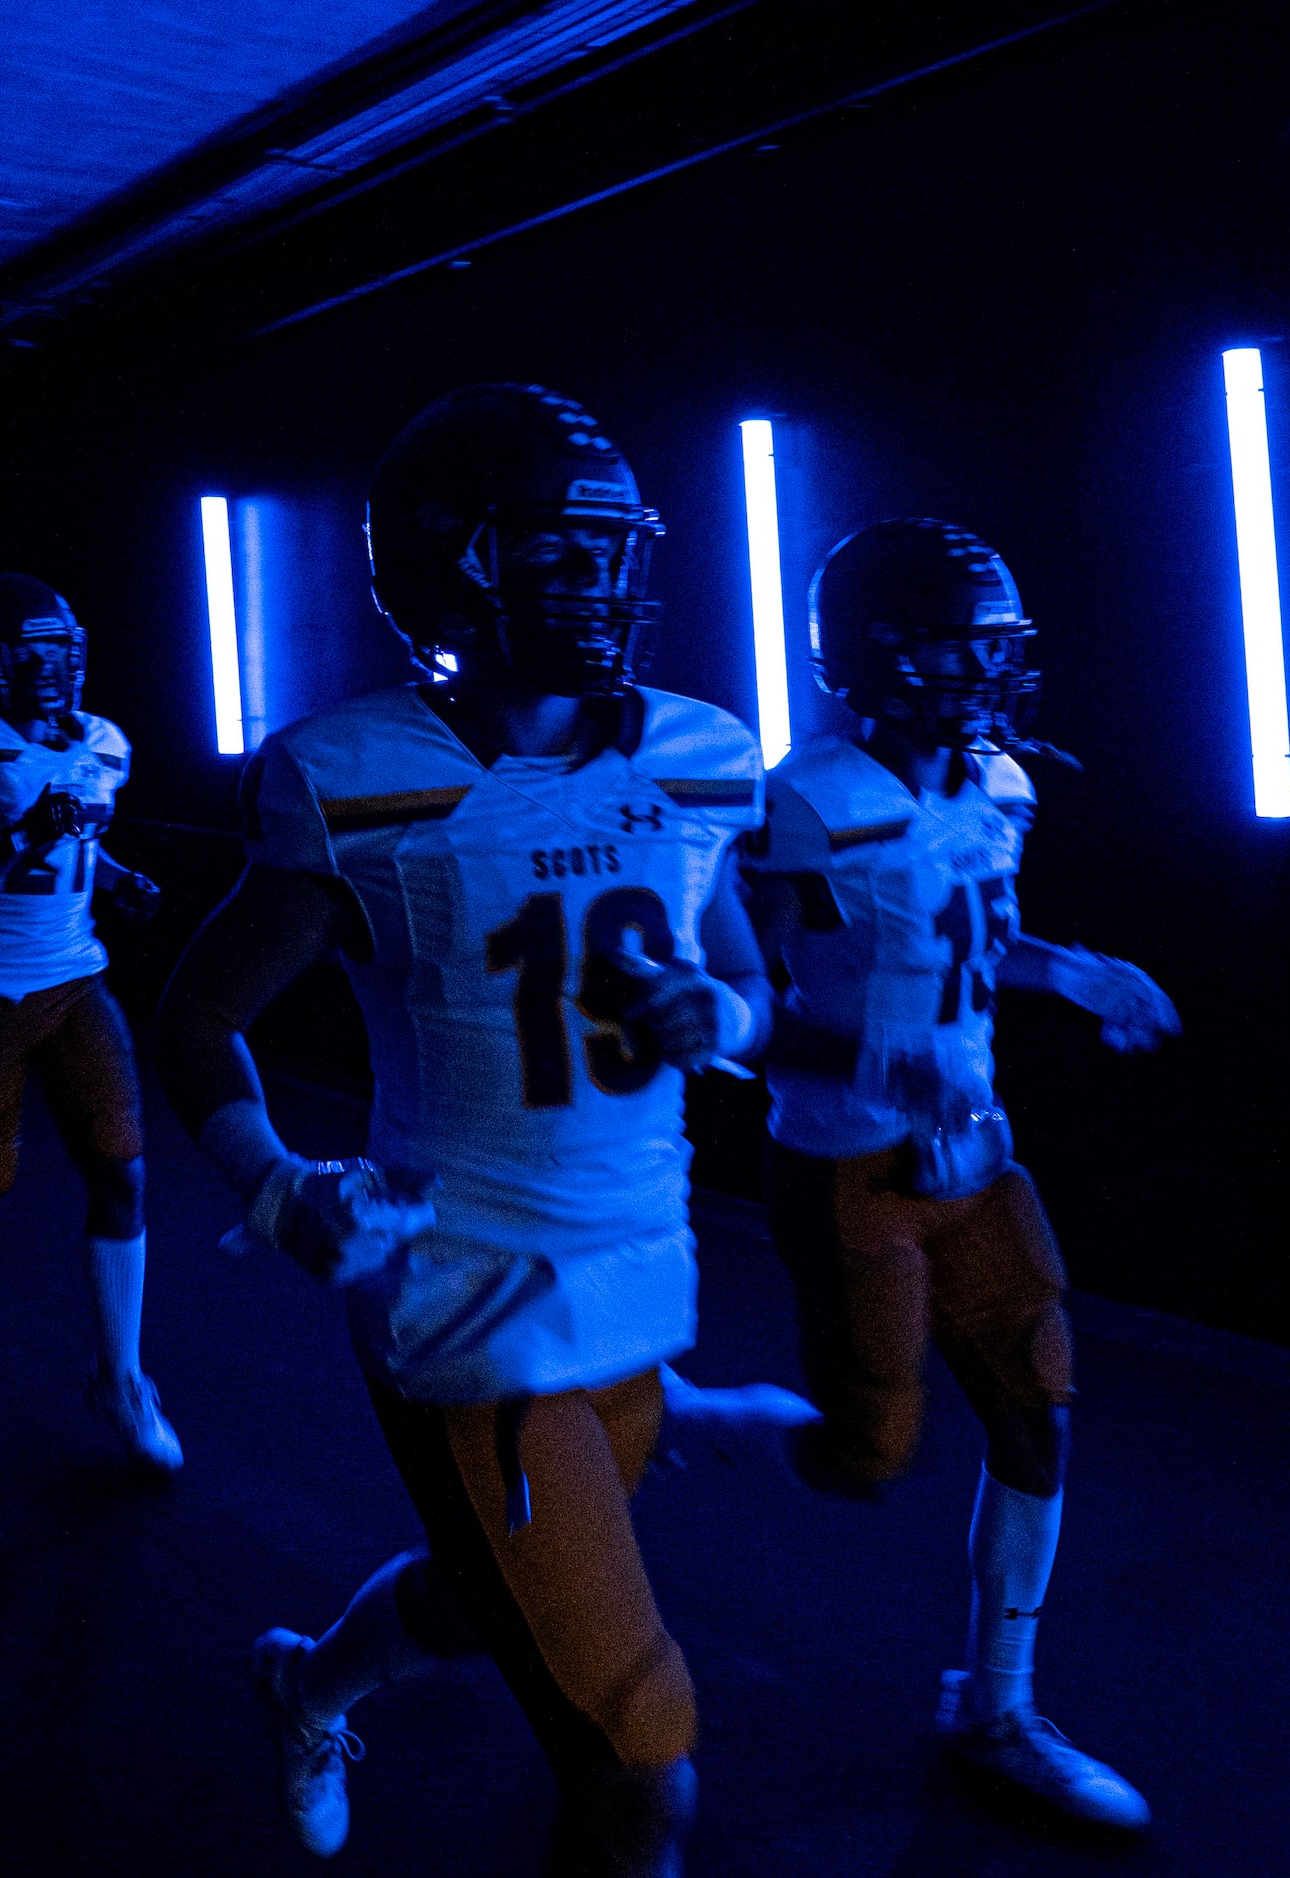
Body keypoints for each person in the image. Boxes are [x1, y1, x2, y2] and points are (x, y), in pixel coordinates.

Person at [157, 385, 798, 1875]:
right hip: (467, 1296)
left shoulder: (702, 751)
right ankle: (319, 1686)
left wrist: (731, 1020)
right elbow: (196, 1019)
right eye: (555, 554)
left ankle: (304, 1680)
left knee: (477, 1588)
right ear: (455, 567)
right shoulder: (362, 775)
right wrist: (276, 1183)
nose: (601, 584)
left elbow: (745, 980)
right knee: (644, 1761)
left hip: (640, 1273)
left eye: (607, 549)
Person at [738, 518, 1180, 1834]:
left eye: (997, 644)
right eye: (957, 644)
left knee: (1037, 1404)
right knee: (867, 1456)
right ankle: (693, 1425)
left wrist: (1073, 969)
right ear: (874, 653)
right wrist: (886, 1059)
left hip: (976, 1155)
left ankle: (996, 1705)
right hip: (847, 1160)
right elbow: (740, 1007)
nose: (985, 670)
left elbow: (971, 941)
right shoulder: (805, 797)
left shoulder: (999, 785)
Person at [0, 574, 181, 1472]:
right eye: (34, 649)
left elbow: (77, 844)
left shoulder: (100, 742)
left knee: (122, 1171)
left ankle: (121, 1378)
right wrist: (27, 836)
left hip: (76, 978)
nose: (55, 665)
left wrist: (115, 875)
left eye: (62, 646)